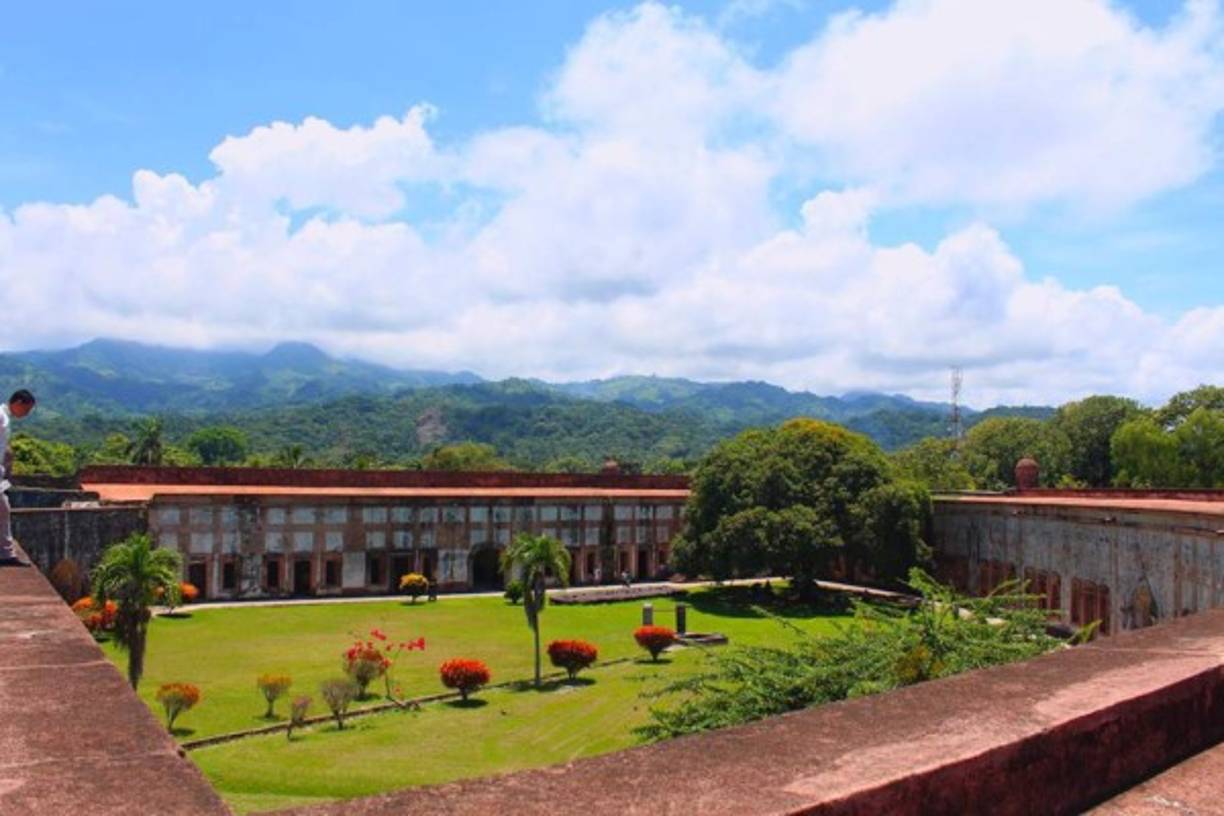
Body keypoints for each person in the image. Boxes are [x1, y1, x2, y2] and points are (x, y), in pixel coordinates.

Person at [0, 390, 36, 566]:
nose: (26, 414)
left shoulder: (4, 418)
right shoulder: (1, 417)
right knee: (3, 509)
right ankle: (6, 554)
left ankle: (6, 553)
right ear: (18, 402)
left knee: (3, 508)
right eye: (26, 410)